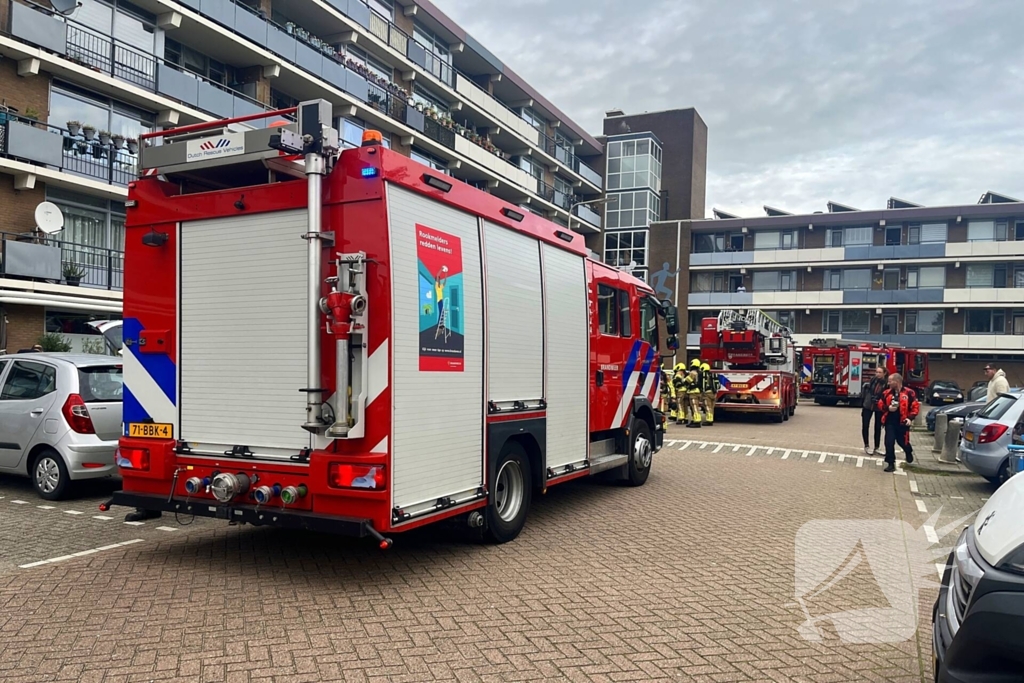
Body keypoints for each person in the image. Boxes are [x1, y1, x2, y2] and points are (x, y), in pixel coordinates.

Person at [877, 372, 919, 472]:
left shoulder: (909, 393)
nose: (888, 383)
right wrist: (888, 408)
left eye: (890, 381)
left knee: (902, 442)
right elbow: (880, 404)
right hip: (890, 422)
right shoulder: (886, 393)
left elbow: (915, 406)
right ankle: (891, 463)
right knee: (889, 442)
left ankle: (908, 451)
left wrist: (910, 418)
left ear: (897, 381)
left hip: (903, 422)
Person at [861, 366, 887, 455]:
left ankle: (877, 447)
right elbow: (866, 391)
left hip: (879, 407)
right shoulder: (872, 381)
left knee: (878, 427)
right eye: (877, 372)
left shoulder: (886, 383)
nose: (878, 374)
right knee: (865, 425)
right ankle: (866, 445)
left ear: (884, 373)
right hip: (868, 405)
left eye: (880, 372)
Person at [686, 358, 703, 429]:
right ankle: (694, 420)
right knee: (693, 407)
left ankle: (697, 421)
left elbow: (686, 381)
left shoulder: (693, 373)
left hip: (693, 392)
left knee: (694, 407)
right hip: (698, 392)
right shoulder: (700, 372)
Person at [700, 360, 716, 427]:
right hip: (713, 393)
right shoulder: (711, 375)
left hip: (706, 393)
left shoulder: (703, 376)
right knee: (711, 407)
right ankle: (711, 419)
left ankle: (709, 420)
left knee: (707, 407)